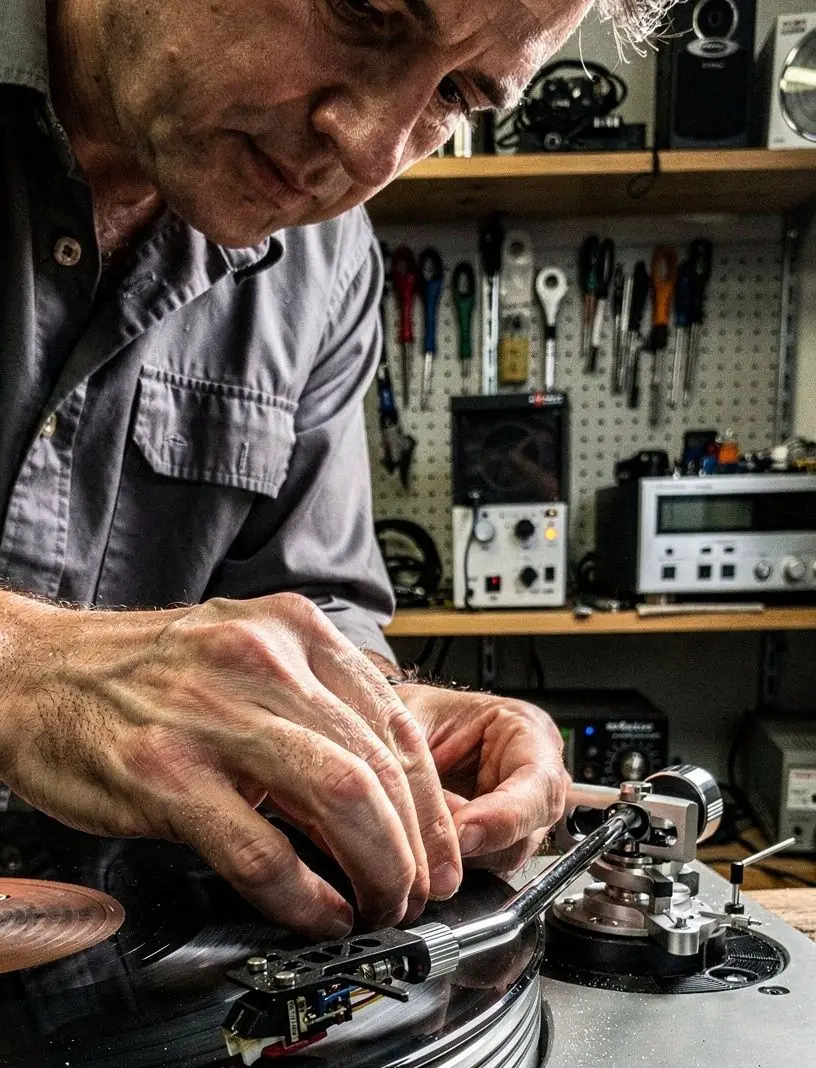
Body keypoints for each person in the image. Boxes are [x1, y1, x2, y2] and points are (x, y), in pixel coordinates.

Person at [0, 0, 660, 940]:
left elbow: (304, 608)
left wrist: (383, 719)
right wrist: (27, 669)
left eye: (458, 95)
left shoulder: (327, 261)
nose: (369, 149)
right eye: (366, 12)